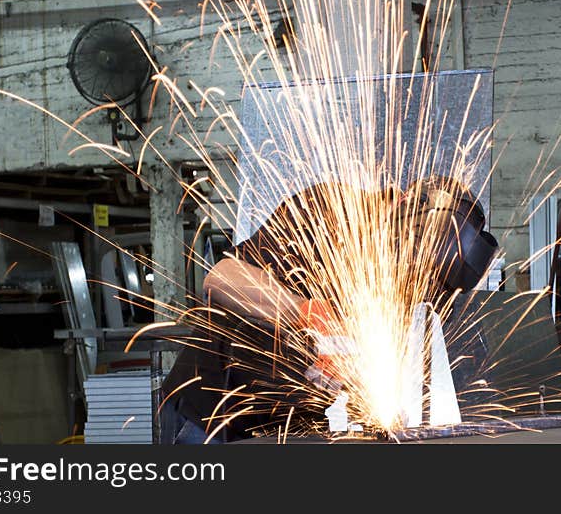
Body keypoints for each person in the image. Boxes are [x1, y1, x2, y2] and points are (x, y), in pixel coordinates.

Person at [160, 176, 498, 443]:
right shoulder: (328, 210)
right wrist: (304, 312)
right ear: (401, 208)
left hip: (287, 429)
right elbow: (221, 279)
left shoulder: (427, 281)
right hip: (212, 416)